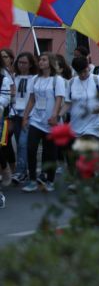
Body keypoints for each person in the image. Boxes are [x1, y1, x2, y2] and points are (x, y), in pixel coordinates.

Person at [21, 54, 66, 192]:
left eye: (44, 60)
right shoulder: (35, 79)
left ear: (50, 62)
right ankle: (33, 180)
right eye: (40, 60)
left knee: (49, 153)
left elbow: (59, 99)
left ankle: (50, 180)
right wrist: (25, 116)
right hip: (36, 120)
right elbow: (32, 99)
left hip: (50, 122)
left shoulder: (57, 80)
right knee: (31, 148)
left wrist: (54, 116)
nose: (41, 62)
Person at [63, 56, 99, 145]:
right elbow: (67, 103)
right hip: (75, 125)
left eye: (85, 71)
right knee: (77, 156)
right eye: (80, 73)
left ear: (88, 67)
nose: (83, 75)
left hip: (93, 125)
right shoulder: (71, 82)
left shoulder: (97, 79)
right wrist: (58, 115)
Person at [10, 53, 36, 185]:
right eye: (19, 62)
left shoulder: (35, 78)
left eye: (24, 62)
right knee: (18, 142)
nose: (21, 65)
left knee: (22, 143)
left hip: (29, 115)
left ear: (31, 64)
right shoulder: (14, 77)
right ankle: (23, 171)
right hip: (15, 114)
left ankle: (20, 171)